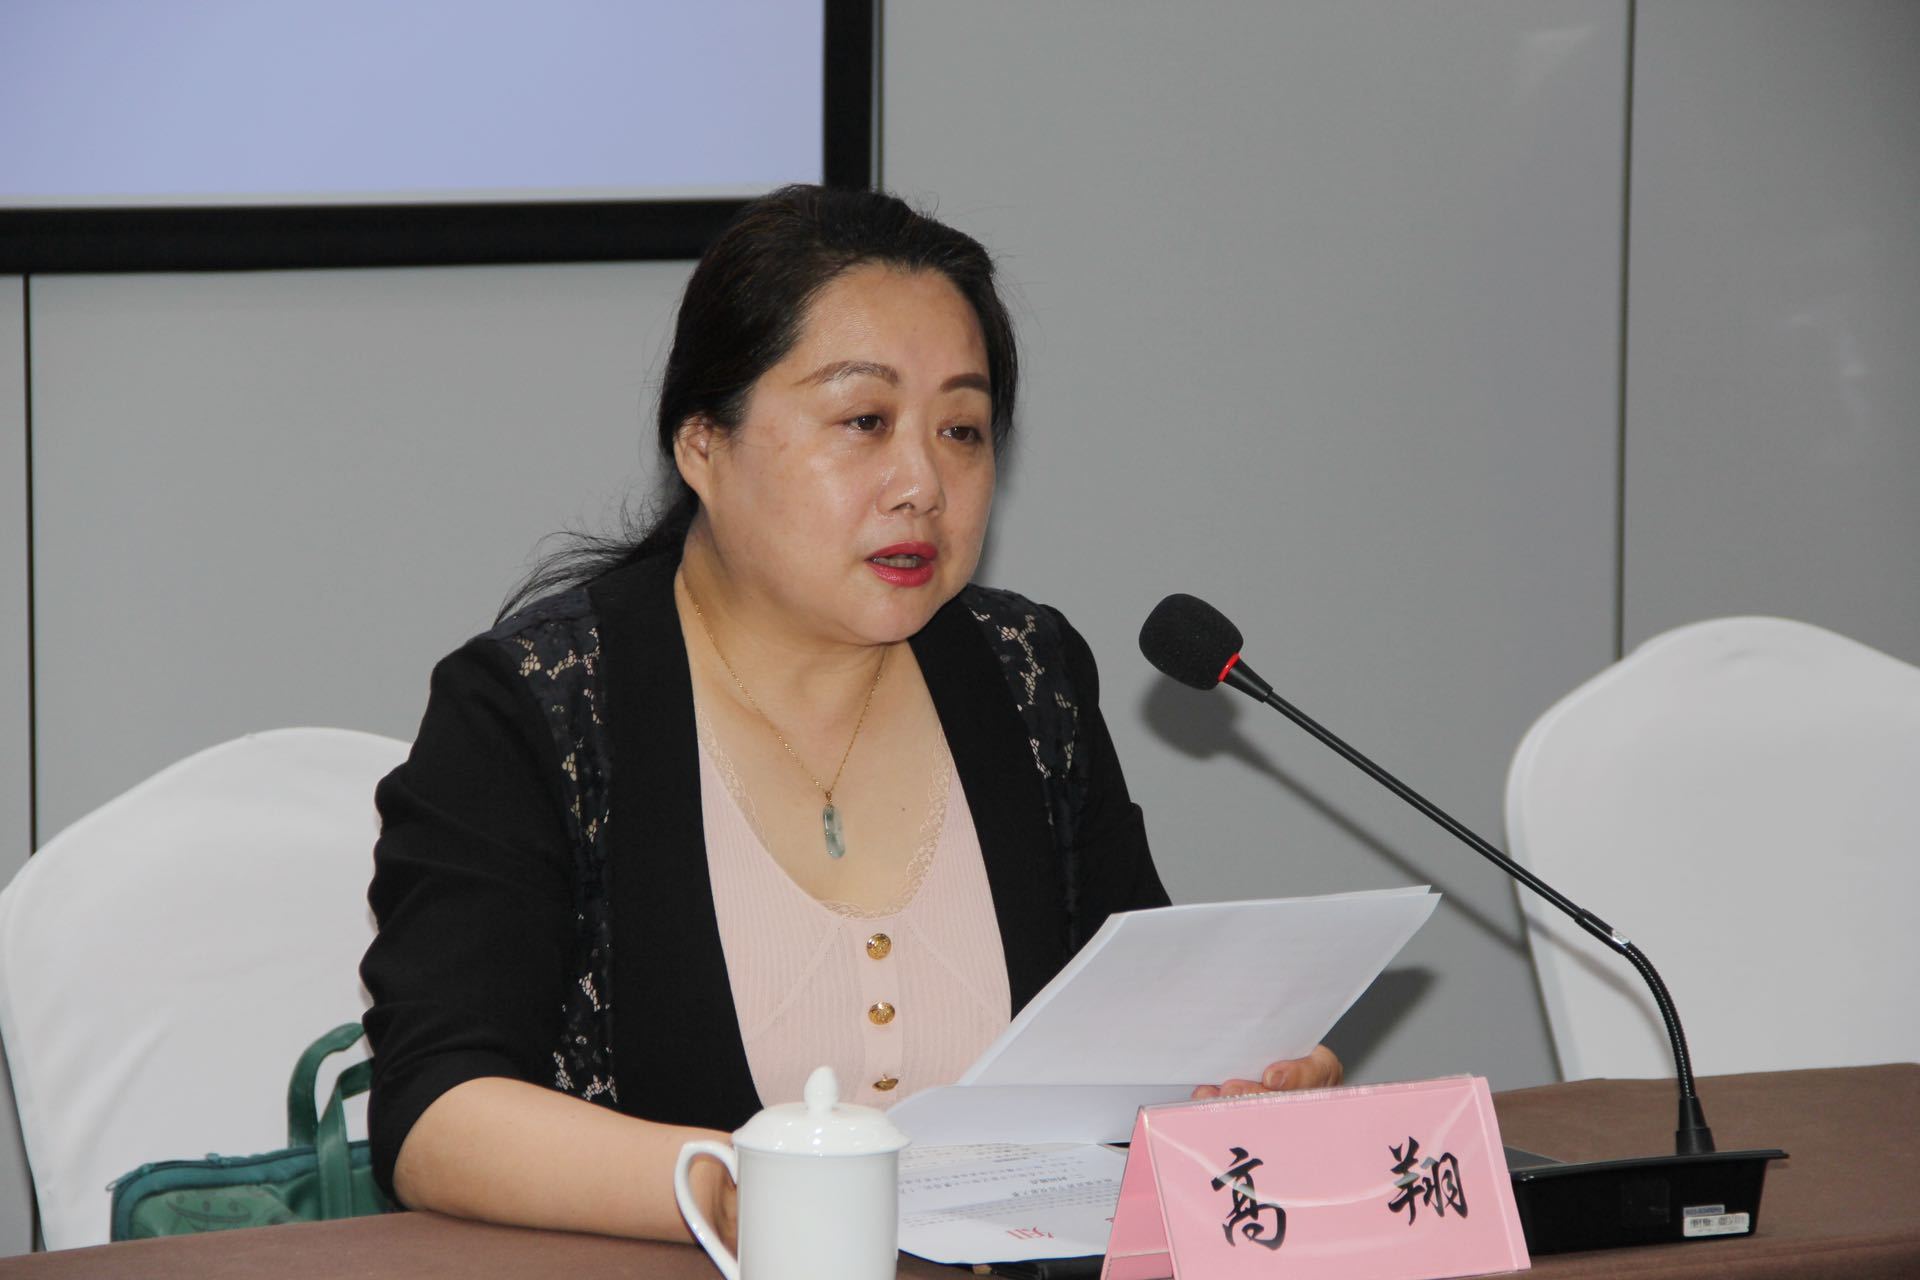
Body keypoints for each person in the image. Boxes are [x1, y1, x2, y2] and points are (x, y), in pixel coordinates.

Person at [360, 184, 1342, 1245]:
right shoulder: (539, 706)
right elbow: (437, 1113)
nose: (922, 482)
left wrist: (1238, 1083)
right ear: (703, 443)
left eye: (961, 430)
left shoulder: (1029, 679)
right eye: (864, 421)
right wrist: (739, 1192)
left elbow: (1138, 1032)